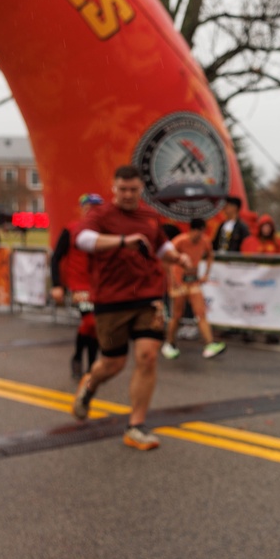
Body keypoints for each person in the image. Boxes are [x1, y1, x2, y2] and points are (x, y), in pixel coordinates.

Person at [72, 164, 193, 451]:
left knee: (148, 356)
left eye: (133, 190)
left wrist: (179, 258)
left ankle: (136, 426)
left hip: (147, 296)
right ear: (113, 188)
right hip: (111, 299)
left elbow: (161, 246)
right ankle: (90, 384)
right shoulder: (101, 215)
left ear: (141, 189)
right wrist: (122, 242)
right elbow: (82, 240)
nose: (127, 195)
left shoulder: (150, 216)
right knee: (113, 364)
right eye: (123, 189)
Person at [50, 193, 104, 379]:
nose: (92, 212)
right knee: (91, 321)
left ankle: (89, 364)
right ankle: (81, 358)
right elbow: (56, 257)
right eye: (89, 208)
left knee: (95, 326)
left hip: (99, 286)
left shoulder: (106, 233)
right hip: (79, 285)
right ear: (82, 210)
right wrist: (57, 285)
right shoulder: (72, 229)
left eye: (96, 209)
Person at [161, 217, 226, 360]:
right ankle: (169, 343)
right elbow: (166, 259)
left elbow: (210, 256)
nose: (200, 235)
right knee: (177, 315)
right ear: (193, 230)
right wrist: (172, 279)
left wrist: (206, 274)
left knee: (201, 313)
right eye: (199, 232)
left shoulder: (205, 241)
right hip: (179, 282)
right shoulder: (179, 241)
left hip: (193, 282)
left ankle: (209, 344)